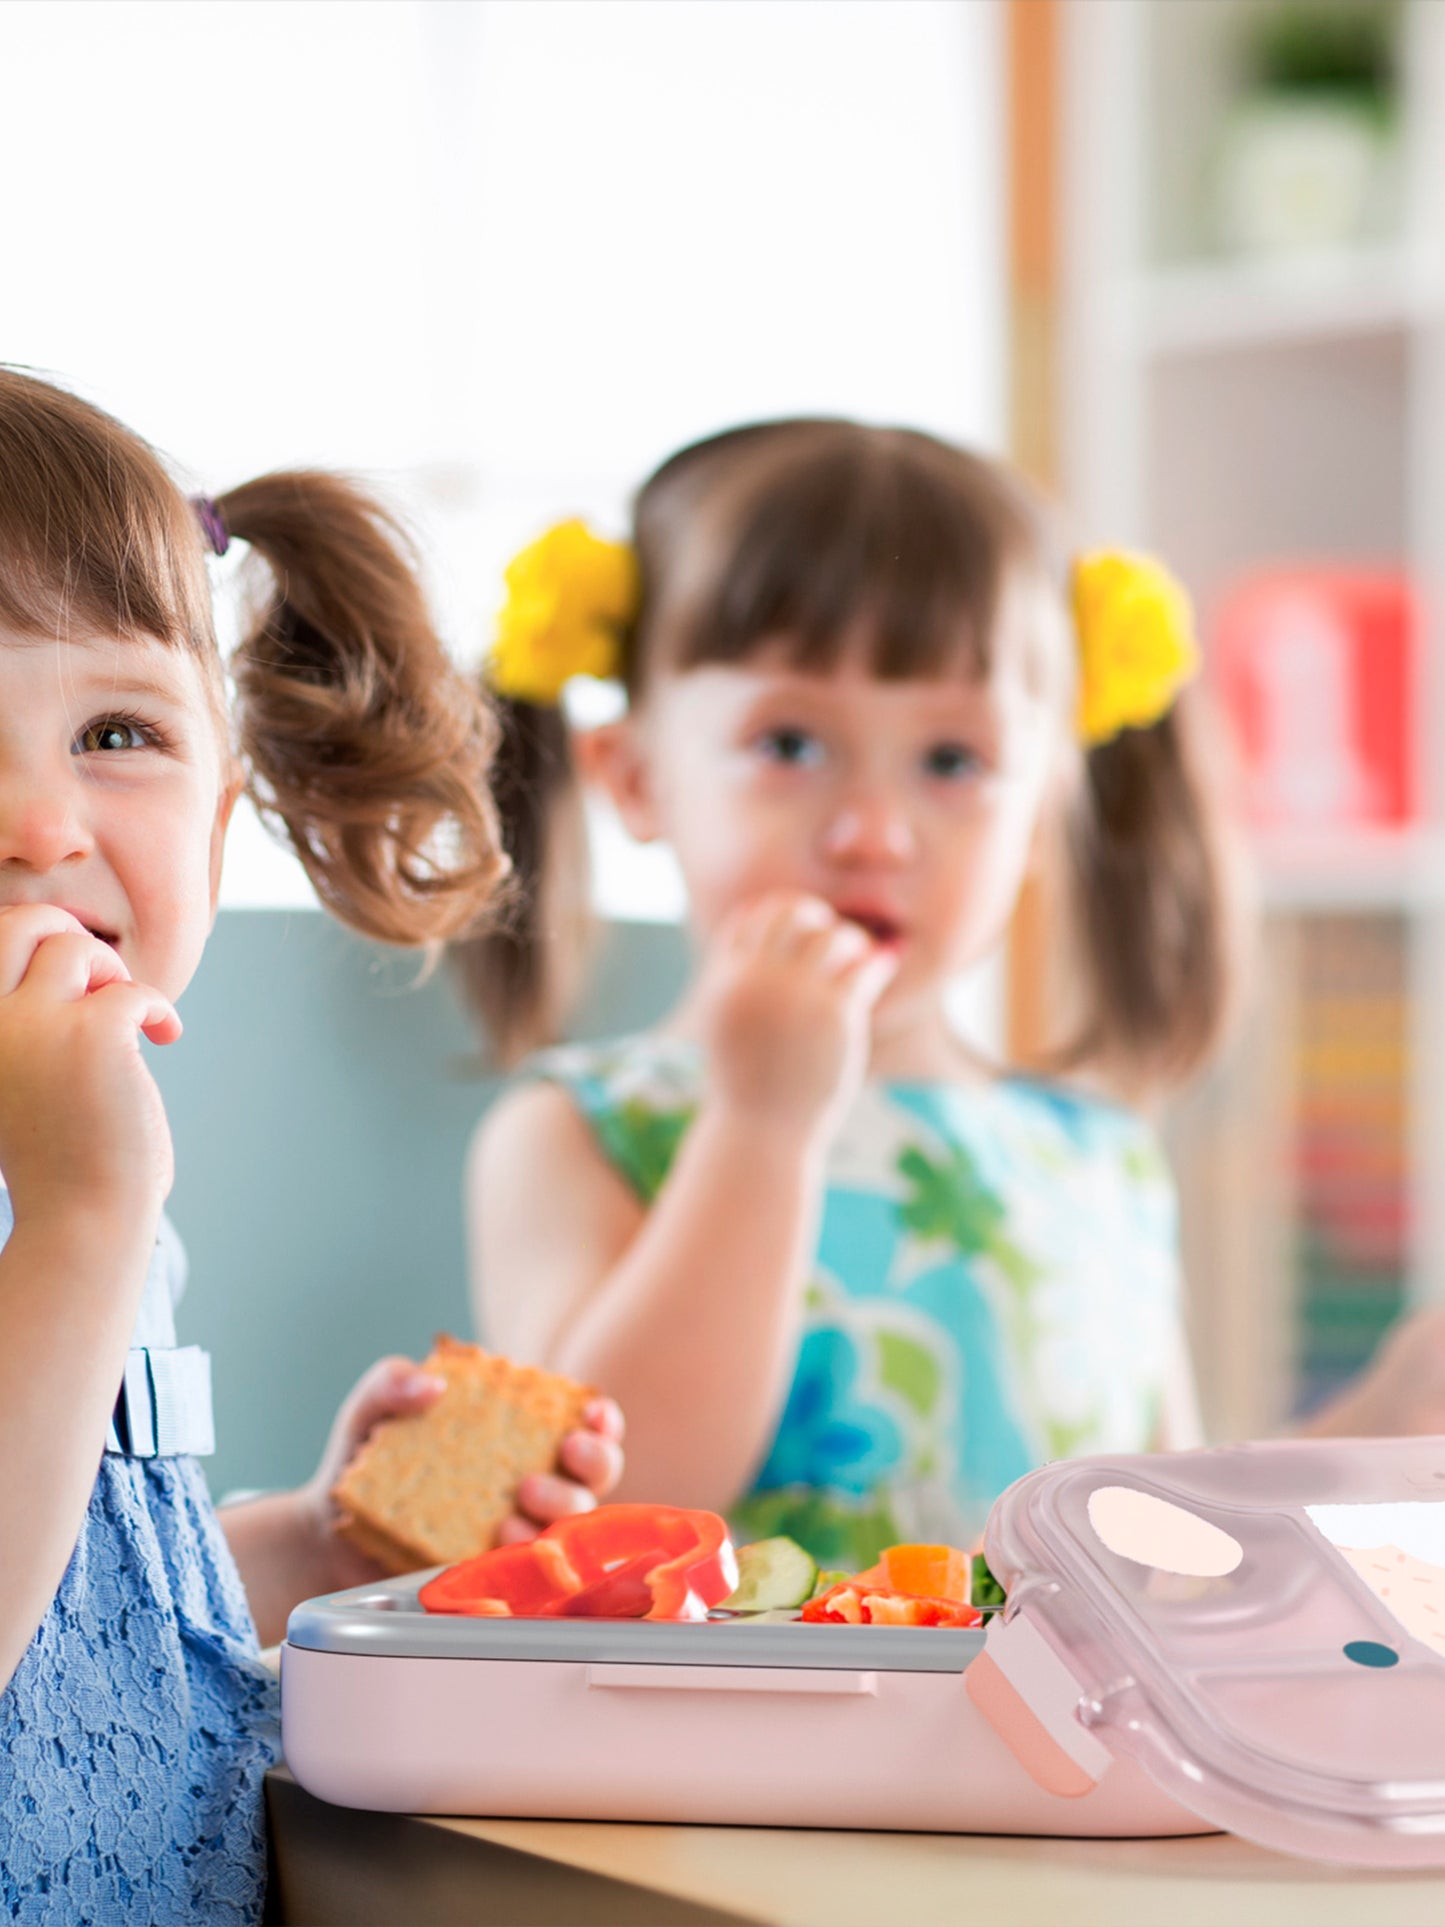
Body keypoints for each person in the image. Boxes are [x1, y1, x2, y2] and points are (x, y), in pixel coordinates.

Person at [458, 416, 1445, 1575]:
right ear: (635, 776)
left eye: (951, 763)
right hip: (720, 1761)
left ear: (1040, 810)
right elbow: (597, 1519)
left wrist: (1392, 1409)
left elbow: (1186, 1559)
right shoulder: (583, 1129)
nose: (871, 831)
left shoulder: (1093, 1154)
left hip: (1056, 1763)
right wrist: (762, 1124)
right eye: (787, 741)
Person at [0, 367, 622, 1927]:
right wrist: (82, 1218)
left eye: (119, 728)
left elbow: (86, 1609)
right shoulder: (93, 1188)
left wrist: (311, 1538)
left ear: (213, 830)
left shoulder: (100, 1180)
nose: (37, 818)